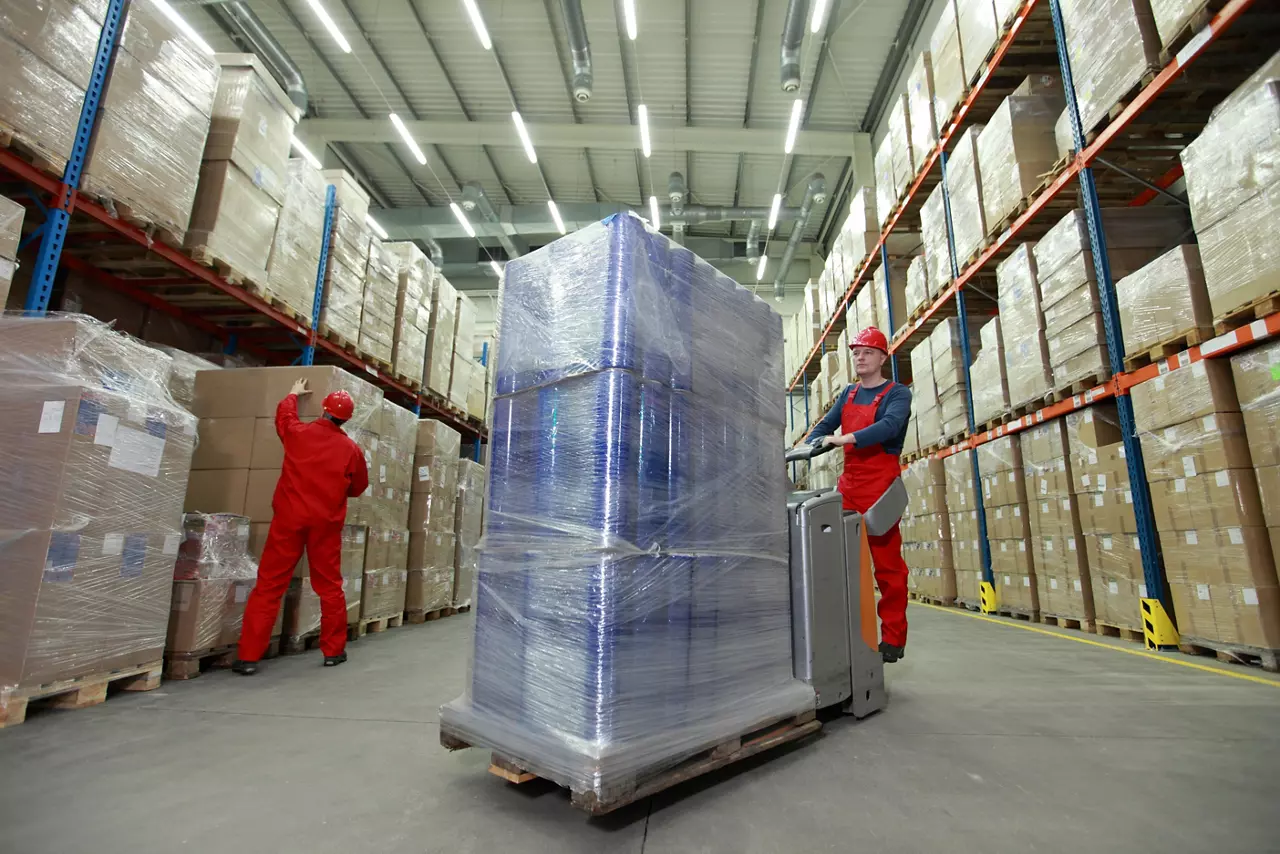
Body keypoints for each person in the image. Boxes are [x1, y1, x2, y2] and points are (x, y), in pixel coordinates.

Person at [233, 379, 369, 675]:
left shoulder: (299, 434)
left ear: (323, 409)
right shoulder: (351, 450)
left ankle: (248, 657)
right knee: (330, 587)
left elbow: (284, 419)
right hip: (325, 526)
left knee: (269, 585)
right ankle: (334, 651)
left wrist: (293, 395)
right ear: (346, 418)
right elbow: (359, 487)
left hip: (289, 521)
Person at [806, 327, 913, 663]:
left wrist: (846, 438)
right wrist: (809, 443)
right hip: (849, 487)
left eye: (867, 352)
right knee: (839, 564)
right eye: (856, 352)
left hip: (880, 488)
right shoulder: (849, 394)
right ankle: (847, 635)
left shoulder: (897, 394)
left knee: (888, 569)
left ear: (882, 357)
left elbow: (890, 427)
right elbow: (825, 426)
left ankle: (893, 639)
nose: (860, 357)